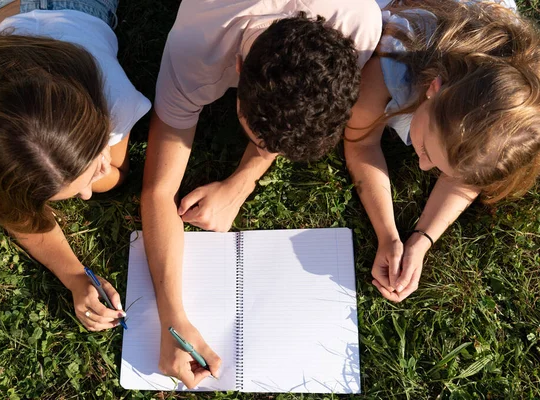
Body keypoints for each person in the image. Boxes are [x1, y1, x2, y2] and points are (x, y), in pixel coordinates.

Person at [140, 0, 383, 389]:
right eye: (261, 140)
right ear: (238, 69)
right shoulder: (194, 46)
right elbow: (157, 191)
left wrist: (243, 180)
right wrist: (172, 319)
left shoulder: (359, 23)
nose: (267, 150)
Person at [0, 0, 151, 331]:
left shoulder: (115, 98)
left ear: (101, 124)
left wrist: (99, 175)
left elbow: (116, 176)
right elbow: (12, 209)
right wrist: (74, 275)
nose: (86, 195)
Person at [344, 0, 540, 302]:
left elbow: (467, 174)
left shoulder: (505, 128)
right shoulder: (394, 62)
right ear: (434, 88)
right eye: (424, 149)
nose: (423, 166)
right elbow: (360, 142)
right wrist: (387, 234)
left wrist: (421, 240)